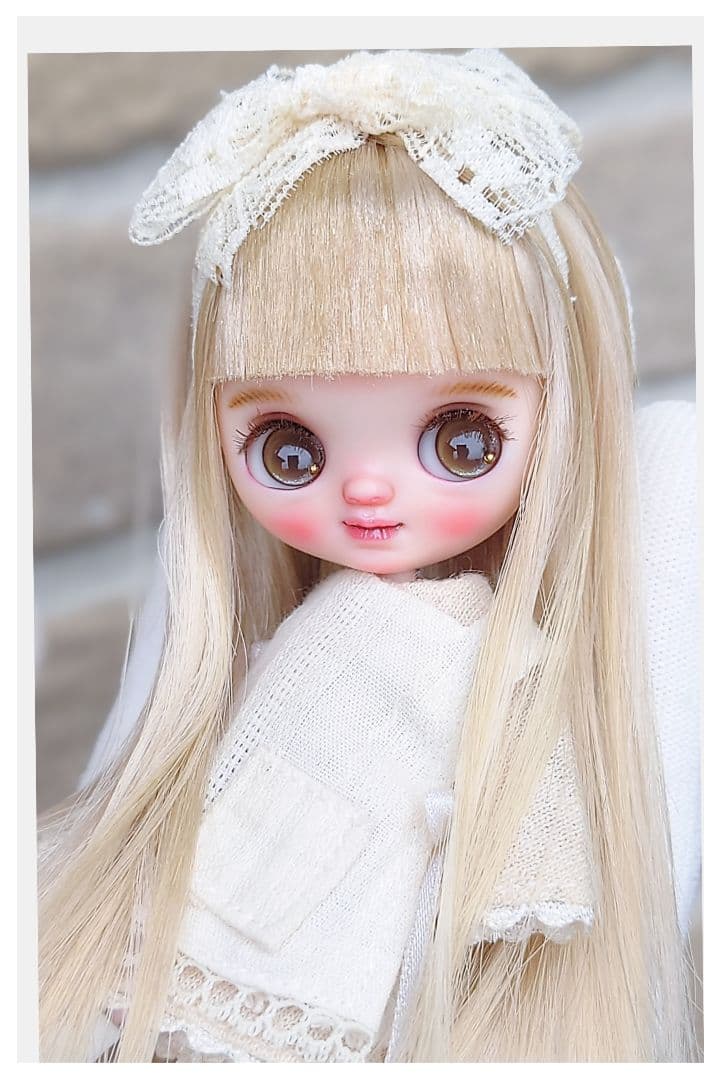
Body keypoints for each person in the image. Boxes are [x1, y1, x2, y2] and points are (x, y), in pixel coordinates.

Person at [38, 48, 699, 1062]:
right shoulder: (267, 645)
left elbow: (543, 811)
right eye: (290, 449)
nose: (368, 492)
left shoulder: (526, 663)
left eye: (462, 439)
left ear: (563, 412)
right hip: (252, 908)